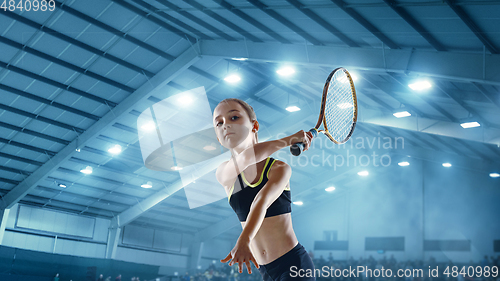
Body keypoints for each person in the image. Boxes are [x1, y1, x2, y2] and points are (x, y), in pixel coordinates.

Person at [214, 98, 315, 280]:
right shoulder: (224, 172)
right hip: (266, 273)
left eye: (234, 117)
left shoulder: (279, 168)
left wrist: (244, 238)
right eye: (219, 123)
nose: (225, 125)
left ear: (255, 126)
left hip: (293, 265)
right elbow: (245, 159)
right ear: (217, 136)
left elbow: (261, 202)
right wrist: (289, 140)